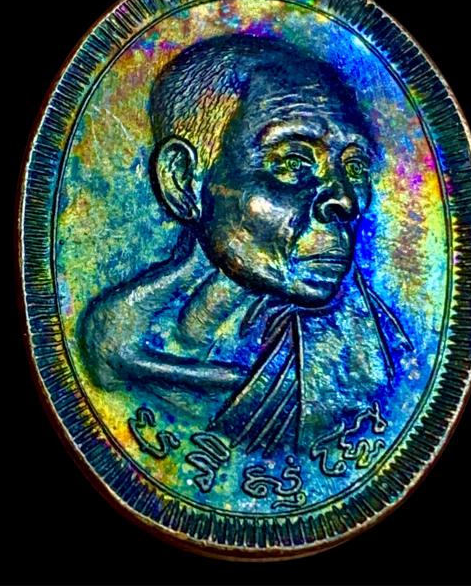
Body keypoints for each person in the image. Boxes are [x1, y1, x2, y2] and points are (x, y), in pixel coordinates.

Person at [79, 34, 412, 456]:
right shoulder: (114, 342)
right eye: (293, 161)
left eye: (355, 166)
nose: (347, 200)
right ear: (182, 182)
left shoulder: (364, 360)